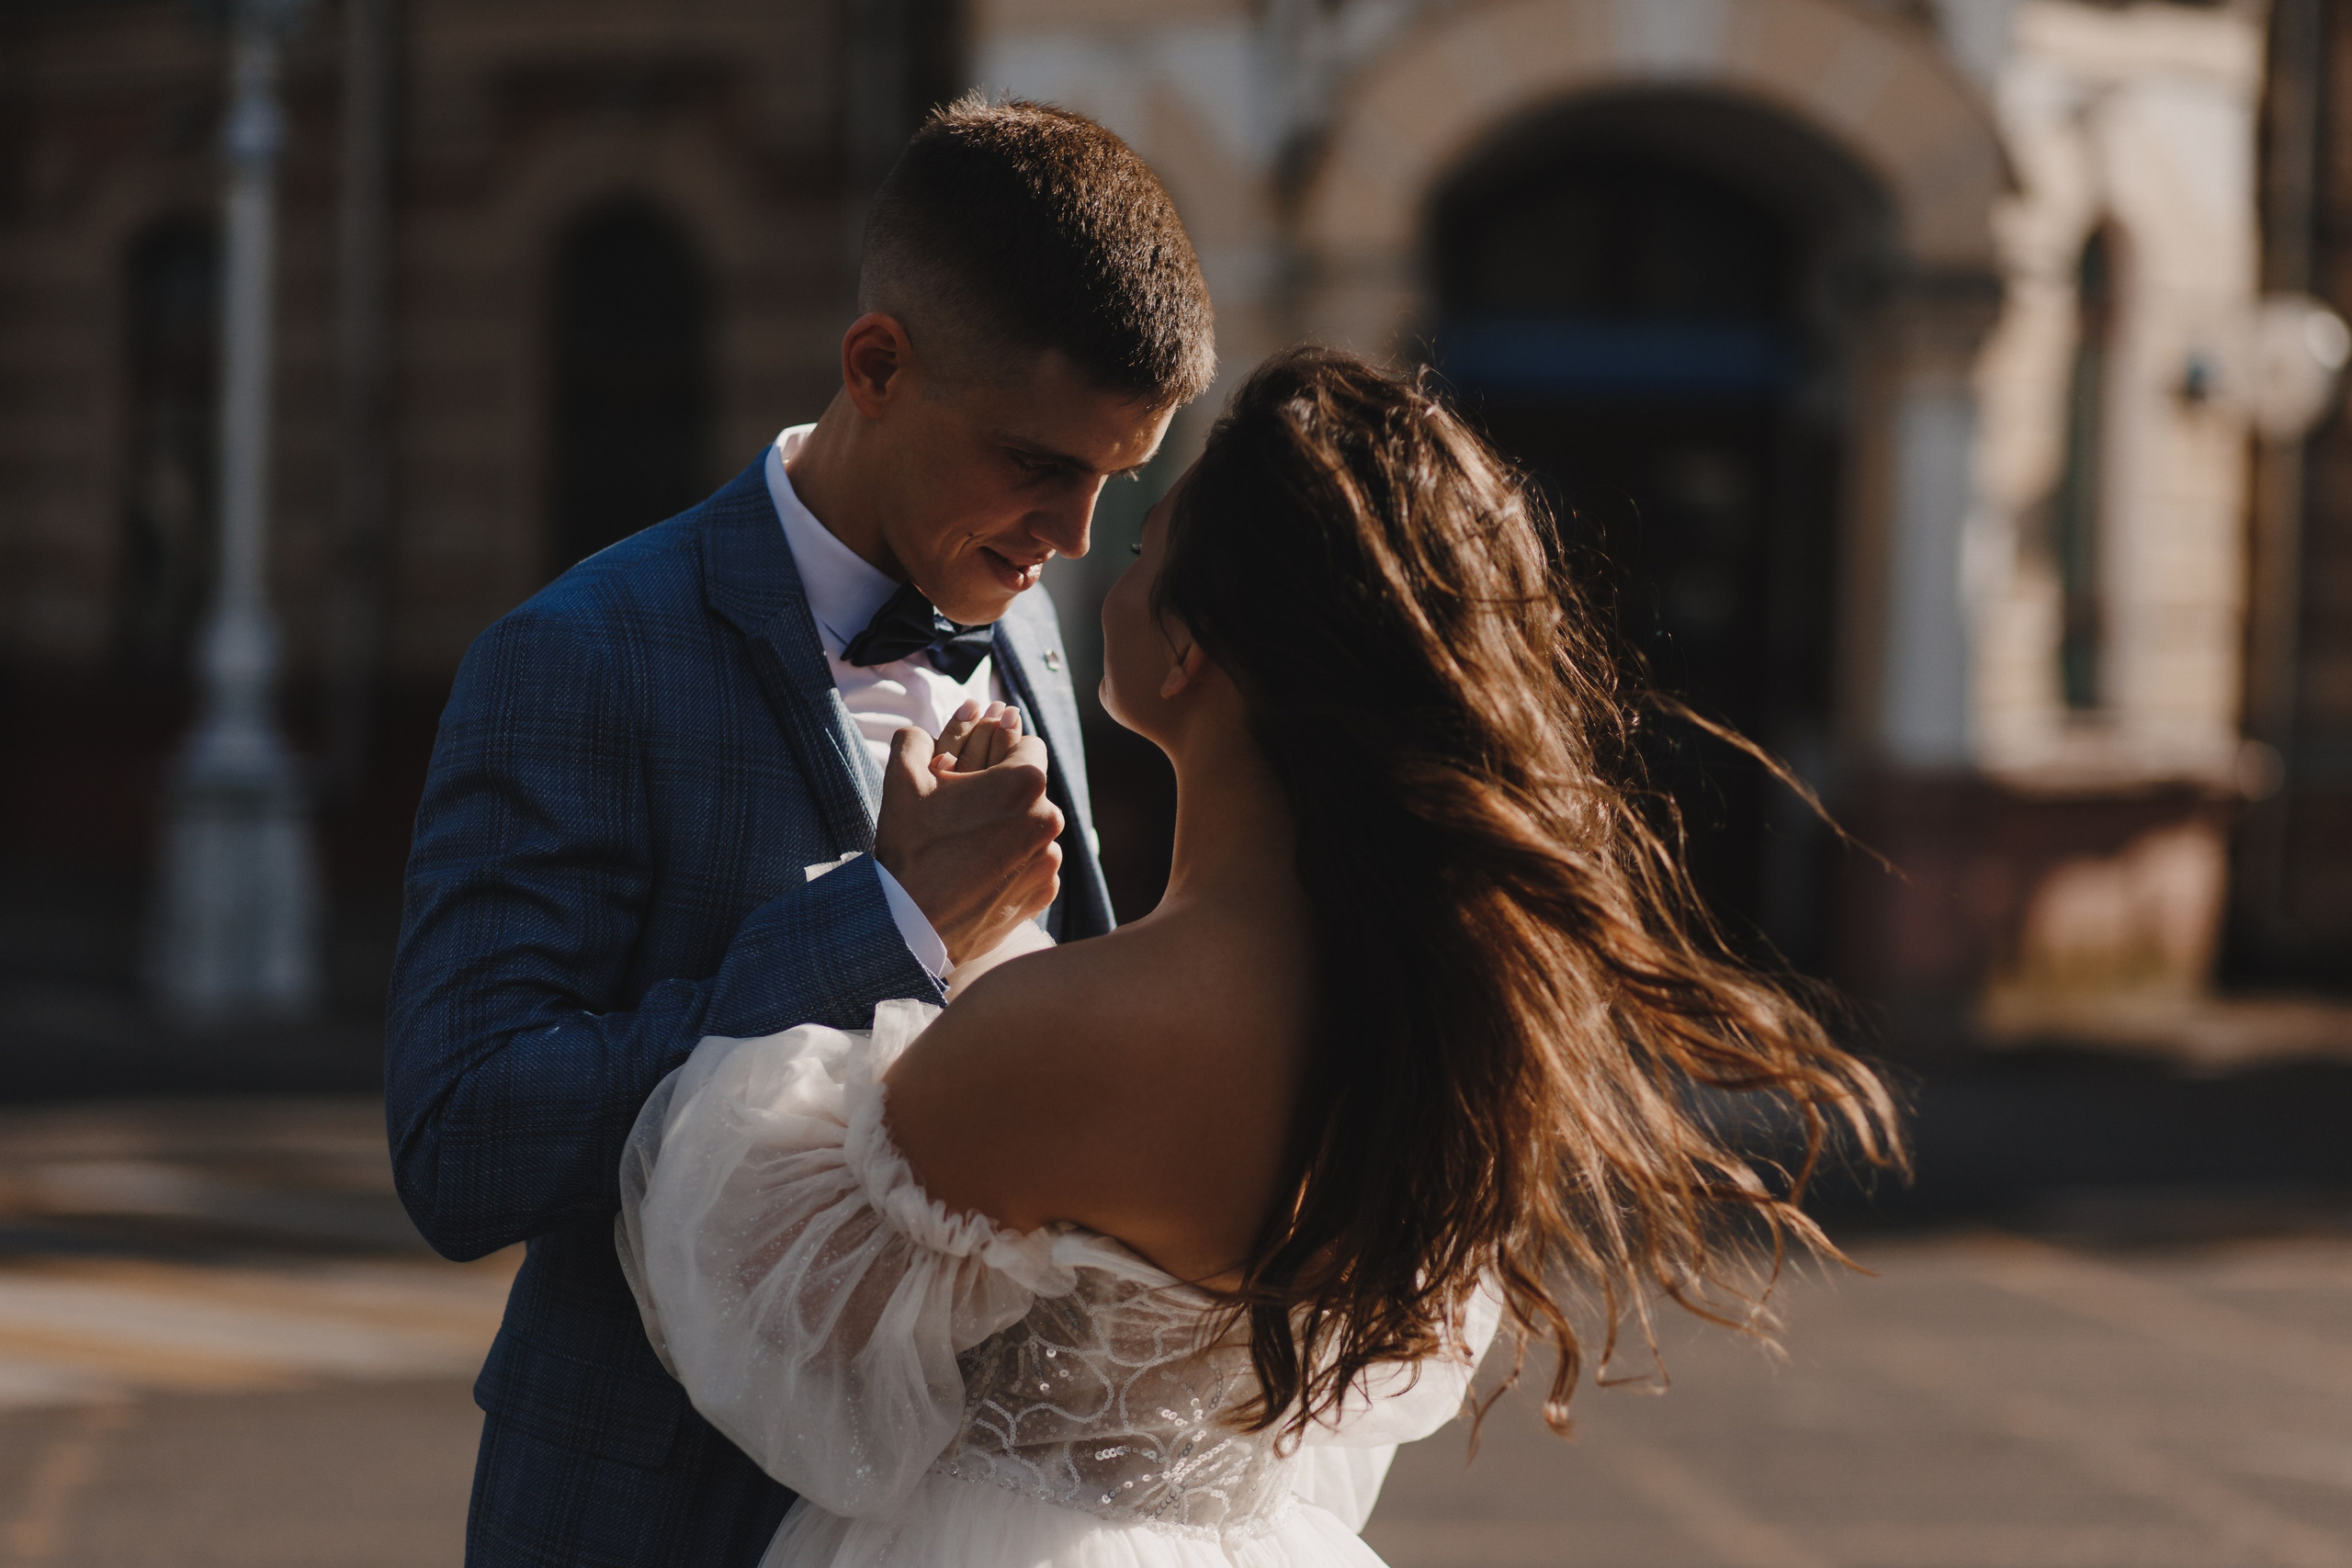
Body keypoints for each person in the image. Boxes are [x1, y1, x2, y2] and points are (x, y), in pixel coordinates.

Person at [616, 347, 1905, 1568]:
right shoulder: (1440, 1031)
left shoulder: (1080, 1032)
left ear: (1188, 649)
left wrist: (912, 911)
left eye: (1139, 538)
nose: (1086, 551)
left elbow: (745, 1288)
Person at [385, 97, 1216, 1567]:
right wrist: (887, 929)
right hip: (654, 1520)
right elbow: (460, 1141)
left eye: (1117, 478)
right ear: (878, 366)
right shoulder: (576, 657)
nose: (1075, 536)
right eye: (1039, 463)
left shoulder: (1023, 631)